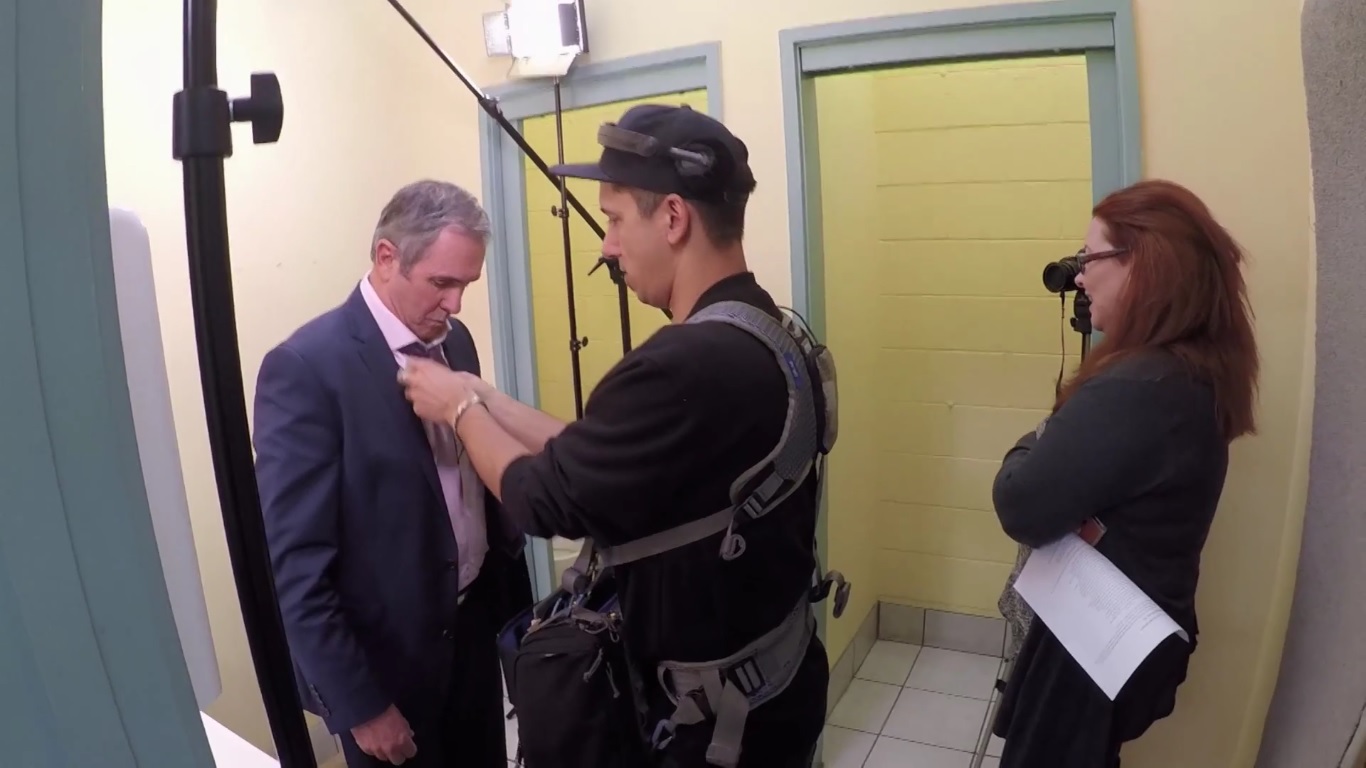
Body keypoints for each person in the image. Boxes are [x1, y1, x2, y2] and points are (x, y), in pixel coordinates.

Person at [398, 104, 830, 768]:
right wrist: (488, 400)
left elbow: (542, 499)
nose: (606, 245)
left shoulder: (681, 365)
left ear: (674, 218)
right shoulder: (770, 331)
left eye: (616, 219)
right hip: (776, 687)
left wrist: (458, 410)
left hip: (711, 734)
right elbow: (598, 456)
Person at [252, 180, 532, 767]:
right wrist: (359, 704)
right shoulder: (306, 370)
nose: (456, 304)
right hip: (386, 670)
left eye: (466, 285)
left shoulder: (456, 343)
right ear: (386, 257)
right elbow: (295, 565)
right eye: (442, 283)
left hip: (473, 636)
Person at [988, 179, 1260, 767]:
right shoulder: (1189, 370)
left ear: (1147, 266)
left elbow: (1020, 503)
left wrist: (1032, 440)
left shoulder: (1144, 385)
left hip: (1094, 644)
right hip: (1135, 634)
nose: (1080, 278)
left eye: (1090, 258)